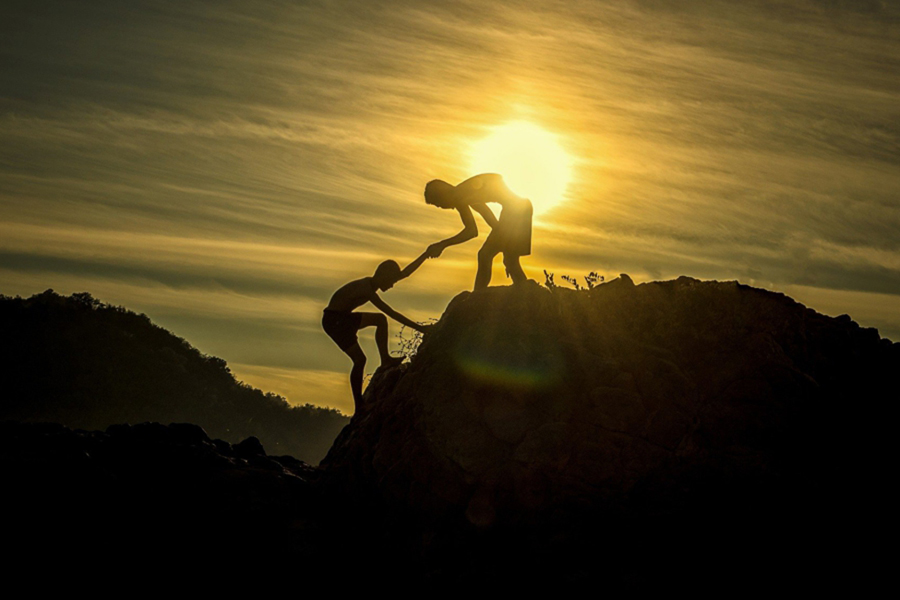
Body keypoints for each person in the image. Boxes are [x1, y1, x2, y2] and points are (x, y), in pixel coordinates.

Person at [322, 251, 431, 410]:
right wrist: (420, 328)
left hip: (343, 317)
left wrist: (426, 254)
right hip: (335, 321)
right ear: (384, 276)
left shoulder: (373, 284)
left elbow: (405, 274)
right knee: (360, 360)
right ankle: (359, 406)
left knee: (380, 320)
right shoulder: (366, 289)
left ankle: (385, 359)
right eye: (391, 281)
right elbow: (391, 312)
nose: (393, 285)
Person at [424, 173, 533, 290]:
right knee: (504, 259)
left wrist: (442, 244)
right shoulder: (461, 195)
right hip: (518, 209)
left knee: (489, 256)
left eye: (439, 204)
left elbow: (471, 231)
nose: (442, 207)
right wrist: (503, 240)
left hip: (517, 211)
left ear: (442, 195)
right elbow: (484, 220)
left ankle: (479, 295)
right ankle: (484, 294)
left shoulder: (460, 195)